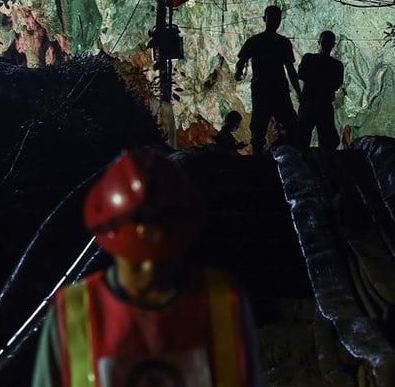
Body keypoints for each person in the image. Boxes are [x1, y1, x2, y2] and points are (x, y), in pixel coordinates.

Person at [31, 148, 263, 387]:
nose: (151, 269)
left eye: (165, 258)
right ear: (113, 247)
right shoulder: (73, 315)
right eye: (136, 261)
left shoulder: (223, 302)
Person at [234, 6, 301, 155]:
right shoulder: (280, 43)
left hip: (266, 89)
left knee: (264, 127)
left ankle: (271, 157)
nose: (274, 21)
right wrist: (298, 92)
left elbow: (290, 70)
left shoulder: (258, 41)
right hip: (270, 89)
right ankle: (277, 156)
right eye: (272, 18)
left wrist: (238, 71)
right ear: (265, 19)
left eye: (276, 18)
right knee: (265, 127)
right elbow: (290, 70)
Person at [296, 30, 344, 151]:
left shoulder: (310, 59)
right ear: (319, 43)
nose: (326, 45)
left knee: (323, 140)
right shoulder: (335, 65)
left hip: (316, 103)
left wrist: (315, 77)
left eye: (329, 43)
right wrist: (324, 80)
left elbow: (302, 74)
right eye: (324, 42)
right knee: (304, 137)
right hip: (317, 103)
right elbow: (335, 84)